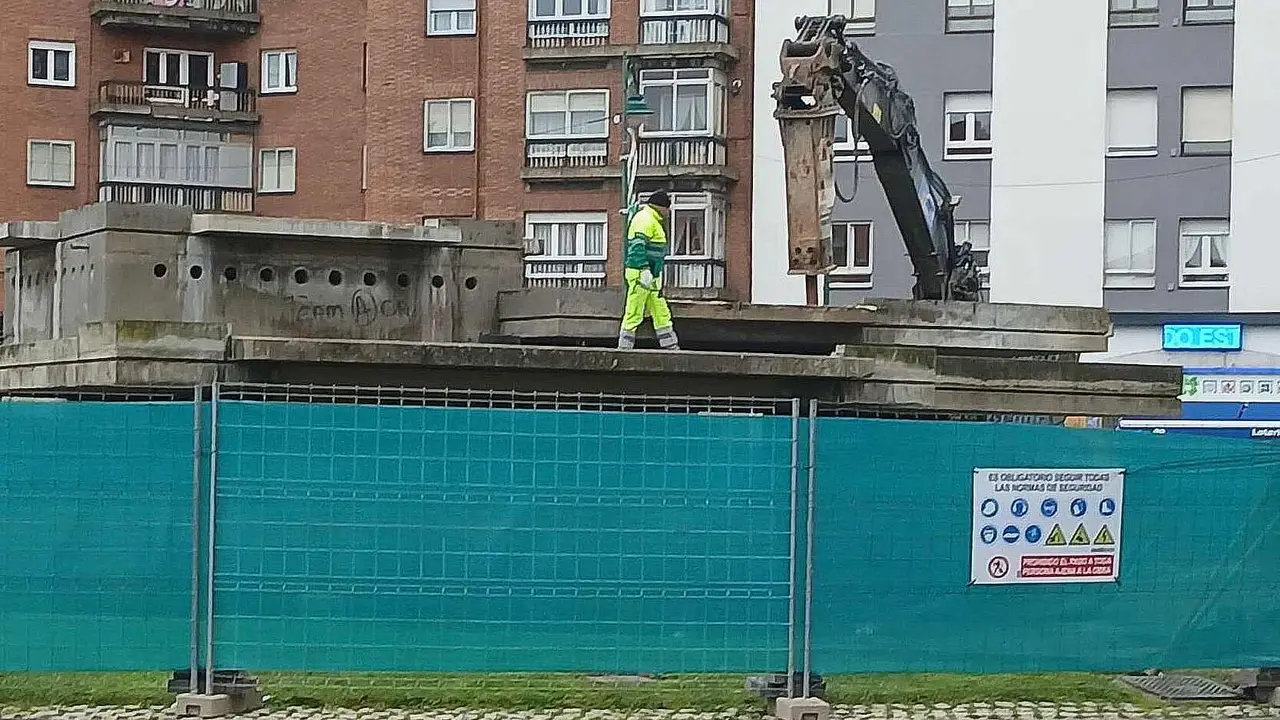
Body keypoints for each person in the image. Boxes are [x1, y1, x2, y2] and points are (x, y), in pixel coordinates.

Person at [618, 190, 680, 350]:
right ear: (661, 207)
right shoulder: (645, 219)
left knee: (660, 311)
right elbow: (637, 247)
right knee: (634, 310)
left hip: (651, 275)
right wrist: (644, 269)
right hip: (641, 273)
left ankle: (670, 346)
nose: (669, 212)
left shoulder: (651, 219)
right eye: (668, 208)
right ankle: (624, 348)